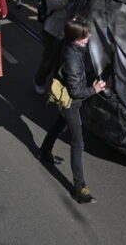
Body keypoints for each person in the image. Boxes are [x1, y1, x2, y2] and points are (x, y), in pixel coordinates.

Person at [39, 17, 106, 204]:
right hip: (70, 102)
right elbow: (76, 92)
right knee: (78, 143)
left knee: (60, 124)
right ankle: (79, 187)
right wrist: (95, 89)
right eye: (86, 35)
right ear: (77, 39)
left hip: (64, 96)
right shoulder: (73, 58)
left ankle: (45, 151)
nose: (89, 36)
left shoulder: (66, 43)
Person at [33, 0, 78, 94]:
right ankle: (39, 81)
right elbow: (62, 2)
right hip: (53, 33)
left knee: (62, 64)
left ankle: (56, 88)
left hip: (66, 33)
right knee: (48, 62)